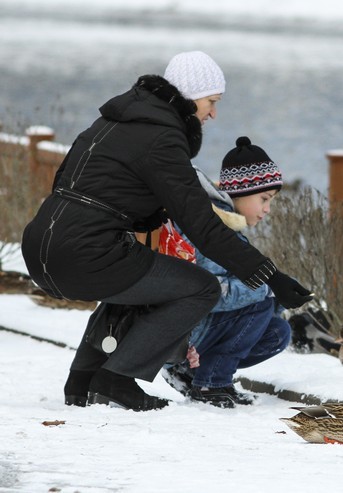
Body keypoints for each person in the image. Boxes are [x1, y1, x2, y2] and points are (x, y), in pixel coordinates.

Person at [21, 51, 313, 411]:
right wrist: (271, 276)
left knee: (142, 279)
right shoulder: (162, 138)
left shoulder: (114, 121)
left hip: (40, 247)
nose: (213, 113)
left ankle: (82, 380)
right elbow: (204, 227)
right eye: (211, 102)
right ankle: (118, 379)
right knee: (199, 288)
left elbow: (69, 180)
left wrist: (141, 218)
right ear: (190, 98)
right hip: (84, 252)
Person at [162, 137, 296, 408]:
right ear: (241, 192)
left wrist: (279, 299)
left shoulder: (225, 223)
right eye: (264, 199)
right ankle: (212, 382)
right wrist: (269, 289)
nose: (268, 209)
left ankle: (194, 373)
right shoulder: (213, 227)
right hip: (181, 332)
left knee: (277, 332)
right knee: (260, 301)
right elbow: (212, 292)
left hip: (193, 327)